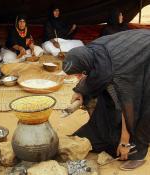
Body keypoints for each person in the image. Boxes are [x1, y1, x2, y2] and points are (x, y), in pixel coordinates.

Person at [62, 29, 150, 169]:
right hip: (130, 50)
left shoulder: (116, 73)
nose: (77, 77)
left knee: (143, 104)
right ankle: (102, 134)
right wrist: (81, 91)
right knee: (107, 97)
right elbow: (92, 76)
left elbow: (128, 104)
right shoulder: (93, 51)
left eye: (78, 74)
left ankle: (137, 152)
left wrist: (124, 142)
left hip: (145, 54)